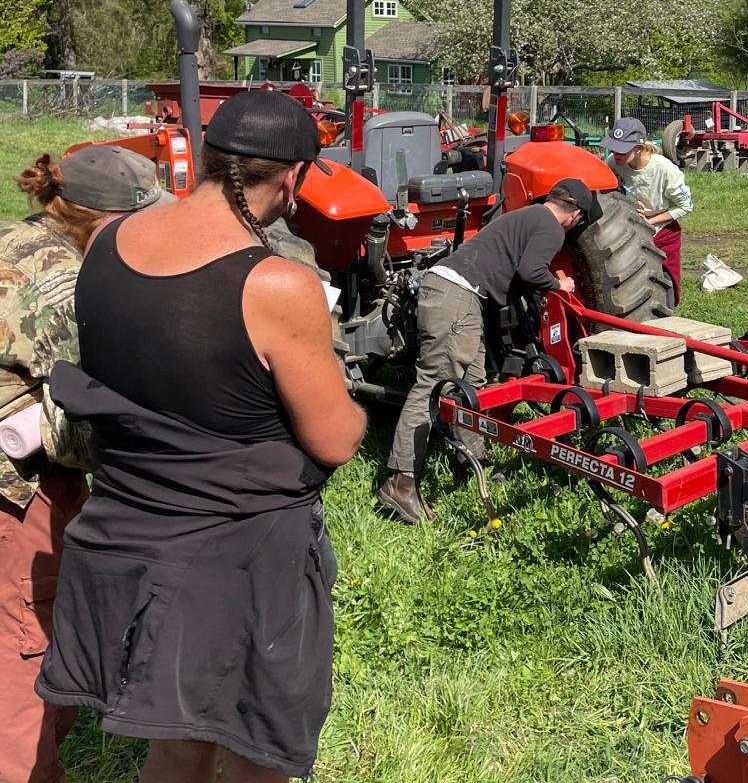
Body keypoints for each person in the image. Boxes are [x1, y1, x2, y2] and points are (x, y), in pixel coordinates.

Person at [37, 90, 368, 783]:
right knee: (255, 744)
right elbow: (336, 440)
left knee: (173, 731)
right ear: (293, 178)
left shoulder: (105, 243)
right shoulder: (277, 283)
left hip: (129, 530)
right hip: (237, 556)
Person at [0, 147, 169, 783]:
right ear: (102, 222)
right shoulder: (63, 282)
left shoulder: (11, 241)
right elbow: (86, 416)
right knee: (26, 659)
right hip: (18, 498)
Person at [379, 177, 600, 523]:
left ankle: (473, 463)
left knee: (472, 385)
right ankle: (400, 483)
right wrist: (561, 283)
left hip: (459, 294)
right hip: (456, 296)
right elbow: (531, 270)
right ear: (575, 213)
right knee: (435, 384)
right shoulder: (552, 226)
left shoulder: (527, 216)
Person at [600, 117, 692, 304]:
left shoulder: (664, 170)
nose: (616, 154)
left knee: (663, 275)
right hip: (631, 224)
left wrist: (651, 221)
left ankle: (667, 307)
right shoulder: (613, 162)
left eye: (622, 150)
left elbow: (685, 206)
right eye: (613, 147)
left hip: (662, 230)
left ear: (639, 149)